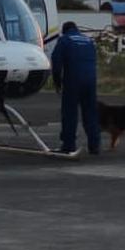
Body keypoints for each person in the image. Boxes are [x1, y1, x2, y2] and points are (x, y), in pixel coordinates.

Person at [50, 21, 100, 154]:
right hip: (91, 81)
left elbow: (56, 61)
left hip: (73, 80)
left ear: (64, 30)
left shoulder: (64, 40)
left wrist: (57, 82)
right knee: (90, 113)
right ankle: (94, 145)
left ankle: (69, 144)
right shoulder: (89, 41)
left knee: (70, 113)